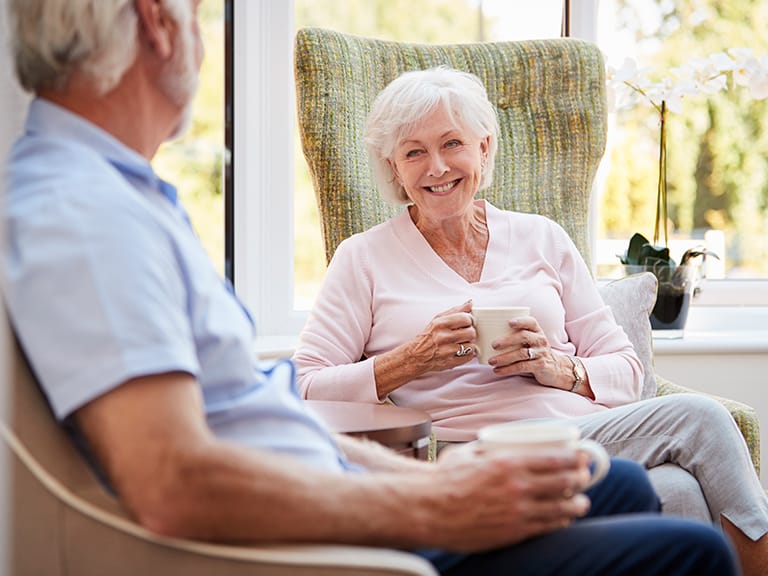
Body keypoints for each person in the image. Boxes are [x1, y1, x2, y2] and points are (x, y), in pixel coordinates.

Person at [2, 2, 741, 575]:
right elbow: (173, 480)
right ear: (157, 25)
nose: (203, 40)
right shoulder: (83, 214)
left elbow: (258, 411)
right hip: (322, 538)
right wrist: (434, 495)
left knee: (624, 487)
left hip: (368, 474)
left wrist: (430, 473)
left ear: (484, 150)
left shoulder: (120, 196)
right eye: (197, 16)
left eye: (452, 144)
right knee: (691, 551)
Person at [292, 65, 768, 575]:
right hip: (471, 452)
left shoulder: (543, 237)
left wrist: (559, 368)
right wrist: (408, 362)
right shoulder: (362, 258)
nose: (436, 167)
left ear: (484, 148)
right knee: (701, 426)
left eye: (452, 143)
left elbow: (629, 374)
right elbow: (303, 386)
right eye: (414, 152)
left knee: (679, 488)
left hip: (581, 431)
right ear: (393, 167)